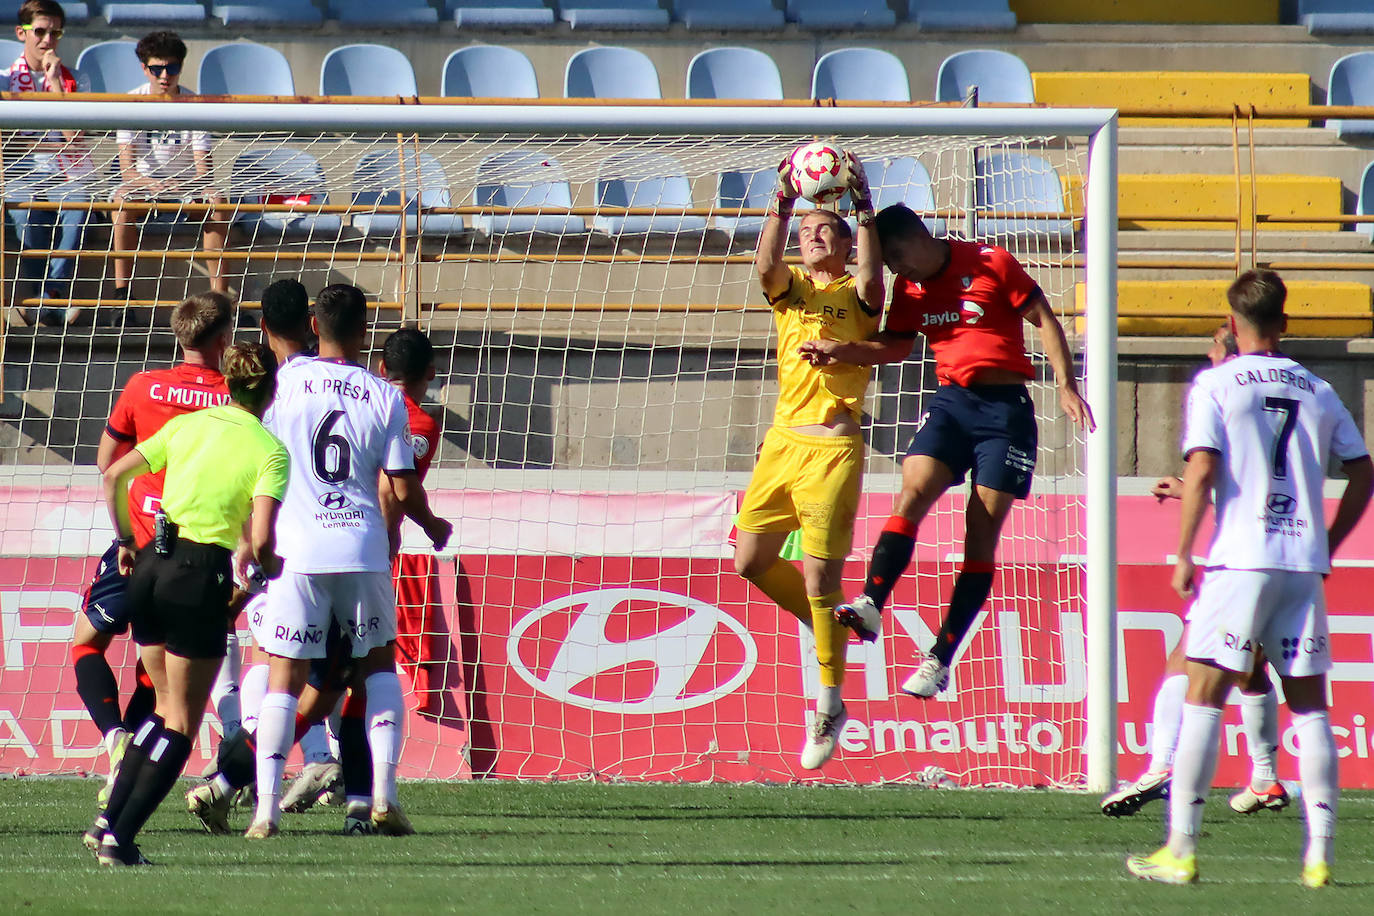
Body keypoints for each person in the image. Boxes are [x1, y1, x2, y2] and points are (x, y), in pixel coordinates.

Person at [1126, 270, 1373, 889]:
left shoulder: (1216, 381)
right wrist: (1329, 542)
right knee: (1311, 709)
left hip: (1239, 559)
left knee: (1203, 696)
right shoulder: (1316, 387)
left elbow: (1204, 466)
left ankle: (1179, 849)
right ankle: (1319, 857)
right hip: (1301, 566)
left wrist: (1184, 550)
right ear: (1285, 323)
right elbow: (1364, 469)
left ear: (1231, 324)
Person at [802, 203, 1094, 699]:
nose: (896, 269)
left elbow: (1043, 318)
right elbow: (894, 348)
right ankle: (872, 601)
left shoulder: (991, 262)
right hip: (953, 404)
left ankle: (940, 658)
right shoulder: (909, 289)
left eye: (895, 256)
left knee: (979, 533)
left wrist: (1066, 384)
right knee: (911, 491)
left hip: (1006, 415)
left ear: (918, 237)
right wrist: (841, 350)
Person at [247, 284, 451, 838]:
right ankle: (383, 796)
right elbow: (403, 487)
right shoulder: (383, 396)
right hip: (361, 546)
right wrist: (433, 526)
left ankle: (265, 810)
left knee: (283, 678)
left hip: (297, 549)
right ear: (365, 333)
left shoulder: (283, 383)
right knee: (377, 668)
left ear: (315, 326)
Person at [86, 342, 288, 866]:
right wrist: (268, 569)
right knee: (181, 722)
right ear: (271, 390)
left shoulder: (188, 425)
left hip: (150, 564)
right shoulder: (269, 450)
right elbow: (261, 542)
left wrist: (126, 541)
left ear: (226, 381)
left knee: (159, 708)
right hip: (198, 576)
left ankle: (107, 822)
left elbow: (113, 474)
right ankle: (121, 841)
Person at [734, 153, 882, 770]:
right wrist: (781, 200)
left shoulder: (859, 293)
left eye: (824, 230)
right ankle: (837, 629)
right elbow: (765, 265)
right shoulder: (790, 290)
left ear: (847, 242)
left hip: (831, 449)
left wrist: (865, 206)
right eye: (804, 232)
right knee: (750, 561)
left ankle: (829, 702)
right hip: (781, 443)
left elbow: (874, 276)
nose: (811, 238)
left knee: (820, 578)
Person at [1102, 325, 1287, 819]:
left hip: (1243, 555)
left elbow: (1214, 469)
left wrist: (1185, 542)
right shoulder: (1294, 389)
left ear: (1231, 353)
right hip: (1292, 551)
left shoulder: (1224, 392)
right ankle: (1266, 776)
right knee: (1252, 668)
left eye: (1213, 348)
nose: (1207, 356)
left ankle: (1163, 765)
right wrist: (1187, 485)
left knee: (1186, 659)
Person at [73, 292, 232, 810]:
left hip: (138, 541)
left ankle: (115, 738)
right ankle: (129, 778)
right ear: (223, 338)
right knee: (163, 683)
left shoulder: (142, 385)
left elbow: (107, 460)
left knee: (86, 643)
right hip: (196, 549)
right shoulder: (232, 396)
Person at [109, 30, 232, 318]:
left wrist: (182, 185)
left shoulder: (195, 105)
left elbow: (205, 170)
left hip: (186, 188)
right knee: (120, 204)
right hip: (143, 186)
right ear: (145, 69)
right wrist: (151, 184)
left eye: (172, 68)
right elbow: (127, 168)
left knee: (218, 203)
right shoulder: (130, 103)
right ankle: (122, 296)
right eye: (157, 69)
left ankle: (219, 298)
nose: (165, 76)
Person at [0, 0, 89, 327]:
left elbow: (74, 136)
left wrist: (54, 84)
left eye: (55, 32)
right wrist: (51, 142)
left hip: (67, 172)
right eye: (39, 31)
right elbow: (7, 141)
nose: (47, 40)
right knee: (27, 210)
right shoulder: (5, 79)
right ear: (21, 32)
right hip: (19, 171)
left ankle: (51, 296)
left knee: (78, 207)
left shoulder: (75, 79)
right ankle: (40, 297)